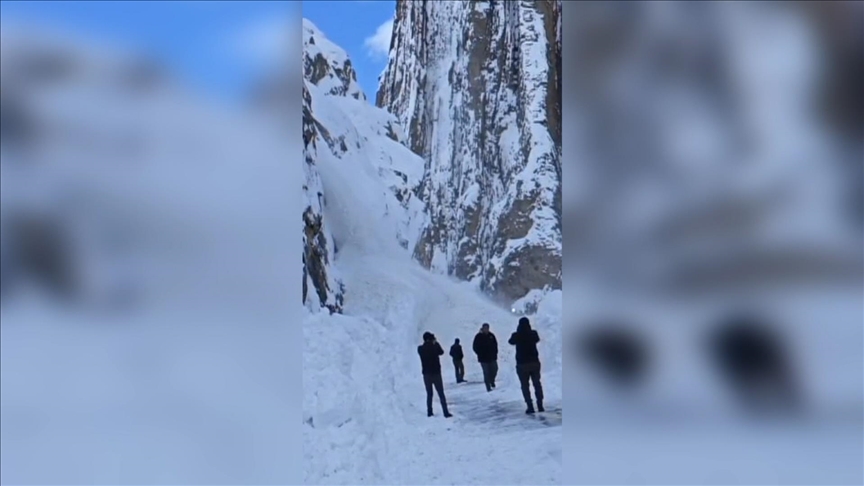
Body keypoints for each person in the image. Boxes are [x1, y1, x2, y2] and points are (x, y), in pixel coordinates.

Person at [509, 317, 544, 414]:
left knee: (525, 386)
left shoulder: (516, 335)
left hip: (522, 364)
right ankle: (540, 404)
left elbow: (511, 341)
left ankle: (530, 406)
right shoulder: (533, 333)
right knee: (537, 384)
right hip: (534, 362)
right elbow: (537, 339)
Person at [418, 332, 452, 418]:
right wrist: (436, 343)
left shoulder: (420, 349)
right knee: (441, 393)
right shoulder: (435, 346)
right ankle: (445, 412)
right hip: (436, 373)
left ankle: (429, 412)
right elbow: (441, 352)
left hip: (426, 374)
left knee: (429, 394)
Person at [472, 323, 499, 392]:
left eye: (487, 328)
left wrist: (495, 353)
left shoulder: (491, 336)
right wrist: (479, 353)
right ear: (482, 328)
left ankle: (492, 381)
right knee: (486, 372)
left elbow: (495, 345)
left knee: (495, 369)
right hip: (483, 359)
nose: (486, 330)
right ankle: (488, 387)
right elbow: (475, 347)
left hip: (492, 357)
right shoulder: (478, 337)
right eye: (485, 328)